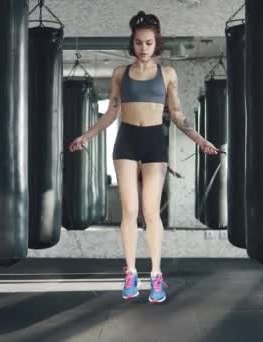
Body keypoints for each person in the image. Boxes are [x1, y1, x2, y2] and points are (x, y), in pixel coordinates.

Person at [69, 11, 218, 303]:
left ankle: (157, 275)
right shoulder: (120, 74)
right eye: (138, 42)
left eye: (149, 42)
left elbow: (177, 115)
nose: (144, 48)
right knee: (129, 212)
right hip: (126, 141)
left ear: (156, 42)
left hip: (153, 143)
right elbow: (112, 112)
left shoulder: (168, 74)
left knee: (150, 213)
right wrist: (86, 136)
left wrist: (200, 140)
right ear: (132, 43)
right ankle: (131, 273)